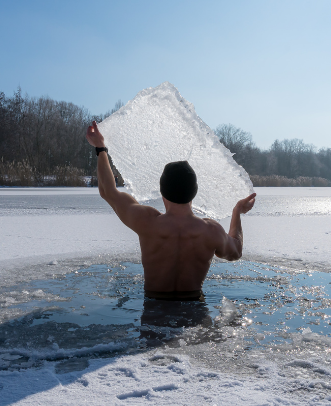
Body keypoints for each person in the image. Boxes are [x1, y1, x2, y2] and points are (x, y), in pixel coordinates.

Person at [85, 121, 256, 302]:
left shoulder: (147, 222)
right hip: (194, 311)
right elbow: (235, 251)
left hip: (154, 310)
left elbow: (108, 192)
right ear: (194, 192)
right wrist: (237, 211)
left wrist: (100, 148)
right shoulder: (210, 230)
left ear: (162, 191)